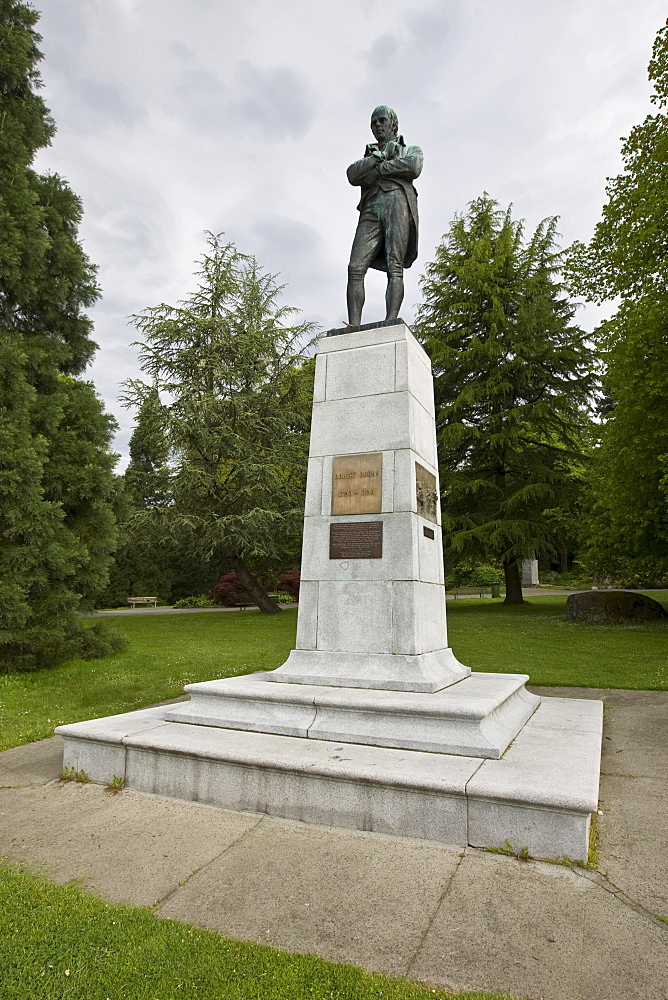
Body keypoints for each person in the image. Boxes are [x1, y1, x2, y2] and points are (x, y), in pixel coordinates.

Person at [346, 106, 423, 326]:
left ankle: (391, 320)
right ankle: (354, 325)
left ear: (393, 123)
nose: (378, 126)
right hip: (370, 208)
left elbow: (413, 166)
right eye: (374, 123)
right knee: (355, 268)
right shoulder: (369, 156)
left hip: (397, 201)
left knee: (394, 265)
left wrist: (380, 169)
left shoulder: (411, 149)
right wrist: (377, 158)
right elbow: (352, 174)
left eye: (382, 121)